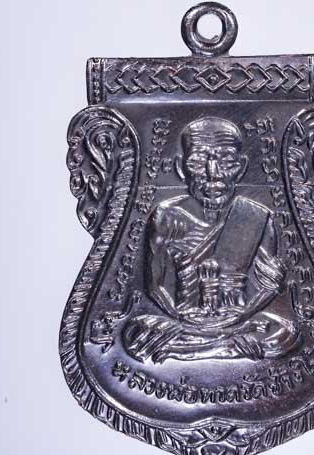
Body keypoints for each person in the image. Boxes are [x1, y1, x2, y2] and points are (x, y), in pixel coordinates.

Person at [122, 117, 300, 363]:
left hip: (238, 320)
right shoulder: (166, 216)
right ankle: (223, 345)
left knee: (285, 332)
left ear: (241, 167)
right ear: (181, 168)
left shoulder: (256, 217)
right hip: (183, 321)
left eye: (226, 162)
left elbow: (268, 286)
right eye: (198, 162)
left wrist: (238, 317)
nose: (213, 174)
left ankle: (192, 349)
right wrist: (181, 316)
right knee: (136, 332)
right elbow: (155, 285)